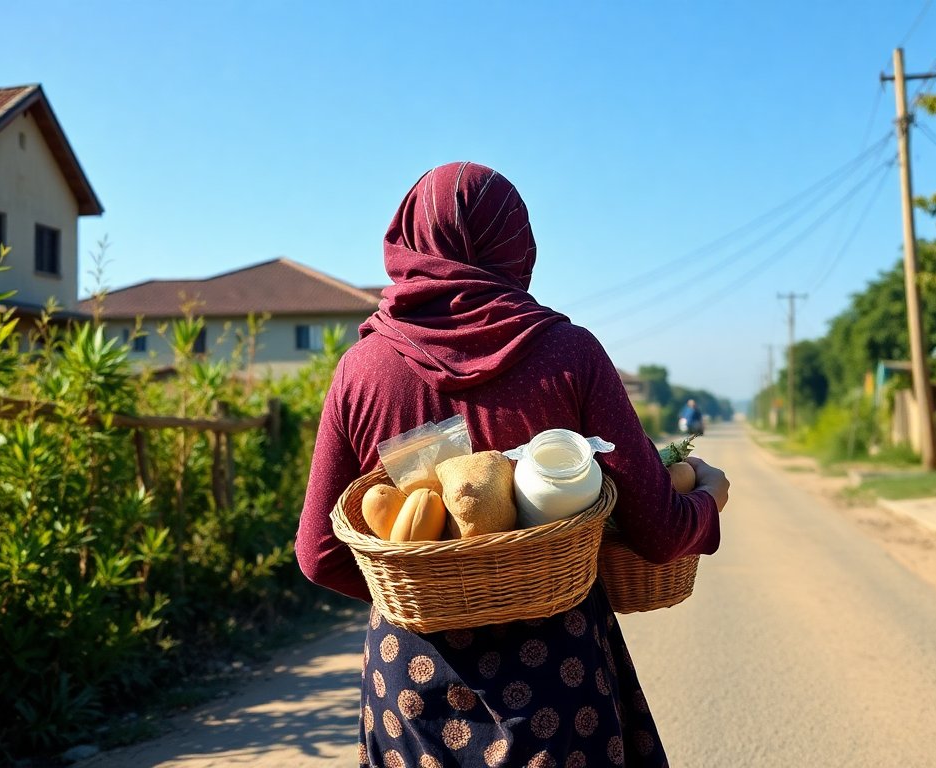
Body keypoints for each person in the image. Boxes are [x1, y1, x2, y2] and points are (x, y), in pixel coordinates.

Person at [296, 162, 730, 767]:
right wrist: (708, 499)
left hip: (413, 681)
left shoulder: (362, 371)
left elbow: (319, 554)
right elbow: (657, 531)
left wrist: (429, 593)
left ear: (407, 238)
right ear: (517, 245)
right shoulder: (567, 354)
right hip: (555, 674)